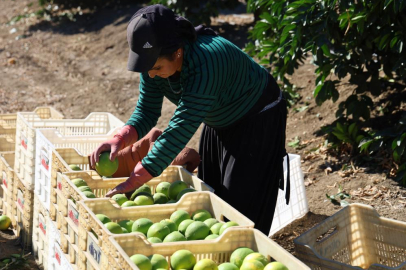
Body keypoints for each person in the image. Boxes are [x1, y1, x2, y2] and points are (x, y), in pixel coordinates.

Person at [89, 4, 288, 235]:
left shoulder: (208, 60)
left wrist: (138, 175)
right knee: (212, 199)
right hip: (218, 118)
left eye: (156, 67)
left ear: (177, 52)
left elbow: (181, 126)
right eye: (147, 68)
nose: (151, 74)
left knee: (240, 211)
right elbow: (146, 111)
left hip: (256, 119)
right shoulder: (154, 63)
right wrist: (119, 139)